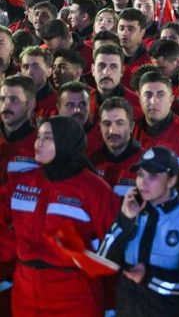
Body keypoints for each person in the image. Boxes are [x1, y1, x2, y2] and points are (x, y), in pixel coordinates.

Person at [0, 116, 119, 316]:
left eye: (47, 138)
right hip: (25, 291)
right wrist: (12, 246)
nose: (38, 143)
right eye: (38, 137)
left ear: (66, 142)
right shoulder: (21, 182)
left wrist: (110, 304)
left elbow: (115, 247)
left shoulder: (94, 188)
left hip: (74, 293)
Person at [98, 146, 179, 316]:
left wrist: (149, 277)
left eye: (152, 176)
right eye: (140, 175)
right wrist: (125, 219)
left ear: (171, 181)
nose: (143, 182)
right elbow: (103, 259)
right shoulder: (131, 208)